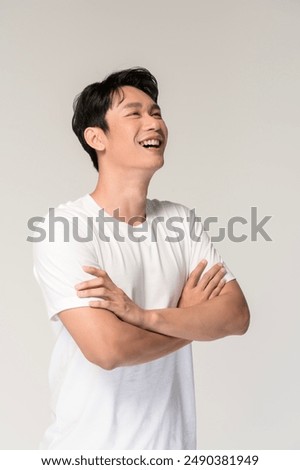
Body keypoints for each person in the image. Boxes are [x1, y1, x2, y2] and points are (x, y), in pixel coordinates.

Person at [33, 67, 250, 450]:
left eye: (156, 112)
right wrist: (190, 319)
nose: (153, 122)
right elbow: (108, 350)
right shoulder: (64, 227)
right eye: (134, 113)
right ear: (96, 137)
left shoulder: (180, 221)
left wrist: (142, 316)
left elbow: (235, 317)